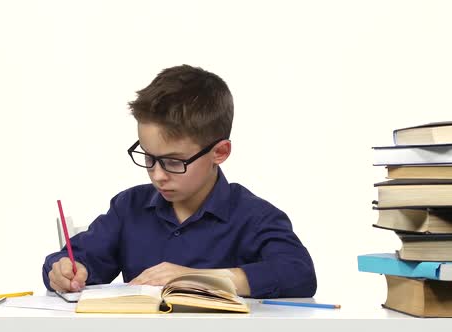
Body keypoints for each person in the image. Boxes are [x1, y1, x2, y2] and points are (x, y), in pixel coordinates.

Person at [43, 65, 316, 298]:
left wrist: (200, 279)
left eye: (174, 162)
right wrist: (65, 269)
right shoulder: (129, 207)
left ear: (219, 153)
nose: (158, 174)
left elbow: (299, 273)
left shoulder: (253, 216)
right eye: (149, 157)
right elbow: (75, 259)